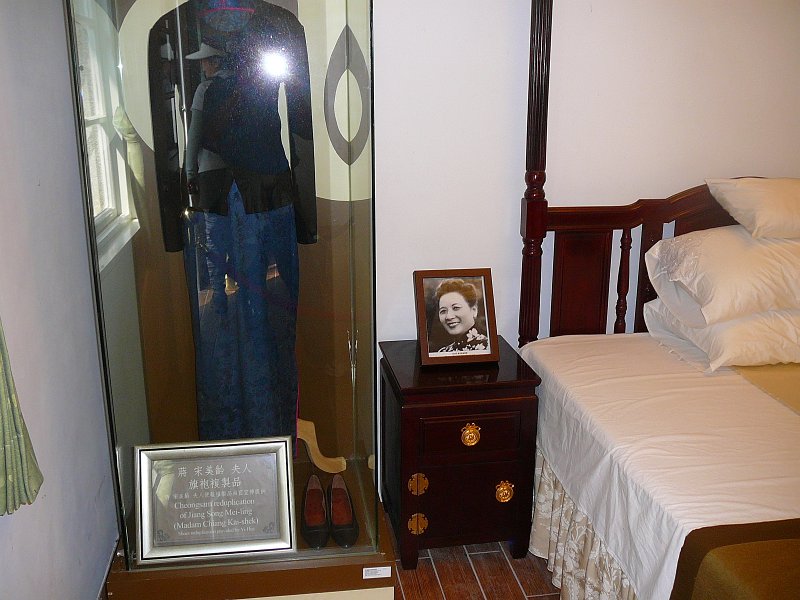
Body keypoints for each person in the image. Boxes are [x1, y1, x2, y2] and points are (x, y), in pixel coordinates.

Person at [432, 279, 490, 353]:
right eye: (443, 311)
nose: (449, 317)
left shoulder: (487, 347)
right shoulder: (443, 352)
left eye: (456, 308)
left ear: (474, 310)